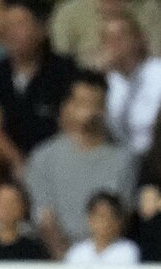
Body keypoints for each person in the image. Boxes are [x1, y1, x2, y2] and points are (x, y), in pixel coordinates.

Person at [0, 0, 77, 208]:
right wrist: (19, 161)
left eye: (19, 24)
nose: (11, 32)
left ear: (42, 29)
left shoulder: (65, 71)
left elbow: (71, 125)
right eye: (7, 25)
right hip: (13, 156)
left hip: (54, 153)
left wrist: (40, 164)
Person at [25, 70, 136, 251]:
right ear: (68, 106)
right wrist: (68, 261)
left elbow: (123, 218)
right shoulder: (43, 157)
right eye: (82, 103)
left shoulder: (124, 160)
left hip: (107, 260)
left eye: (96, 104)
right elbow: (45, 219)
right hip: (56, 262)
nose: (89, 111)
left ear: (105, 108)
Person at [102, 11, 161, 155]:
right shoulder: (108, 81)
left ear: (138, 39)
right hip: (120, 157)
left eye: (120, 37)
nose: (114, 44)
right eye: (109, 39)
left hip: (158, 157)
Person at [65, 190, 141, 264]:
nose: (101, 222)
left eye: (106, 216)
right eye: (97, 216)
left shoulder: (127, 251)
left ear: (118, 221)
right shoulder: (77, 252)